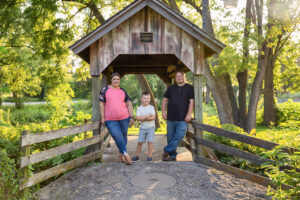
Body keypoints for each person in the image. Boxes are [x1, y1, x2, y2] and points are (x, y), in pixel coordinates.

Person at [99, 72, 134, 165]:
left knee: (123, 135)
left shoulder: (123, 91)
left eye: (118, 79)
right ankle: (126, 154)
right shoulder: (105, 90)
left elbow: (129, 103)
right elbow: (101, 104)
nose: (116, 81)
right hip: (110, 119)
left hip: (124, 117)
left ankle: (121, 153)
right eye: (114, 79)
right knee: (116, 136)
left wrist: (131, 116)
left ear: (119, 80)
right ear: (111, 80)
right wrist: (102, 118)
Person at [162, 71, 194, 161]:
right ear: (175, 78)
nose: (179, 78)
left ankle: (167, 149)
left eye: (181, 76)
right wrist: (163, 112)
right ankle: (172, 156)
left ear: (184, 77)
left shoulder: (189, 88)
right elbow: (164, 99)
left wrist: (189, 114)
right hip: (171, 117)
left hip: (183, 118)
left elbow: (191, 102)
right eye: (177, 76)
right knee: (170, 137)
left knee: (180, 135)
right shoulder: (171, 88)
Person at [131, 92, 156, 162]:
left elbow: (153, 117)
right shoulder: (139, 108)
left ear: (150, 99)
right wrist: (146, 116)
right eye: (144, 98)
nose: (146, 100)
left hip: (151, 128)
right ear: (141, 99)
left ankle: (149, 156)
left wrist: (143, 118)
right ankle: (136, 156)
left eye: (148, 98)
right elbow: (138, 118)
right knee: (140, 142)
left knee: (150, 142)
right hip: (142, 128)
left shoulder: (151, 107)